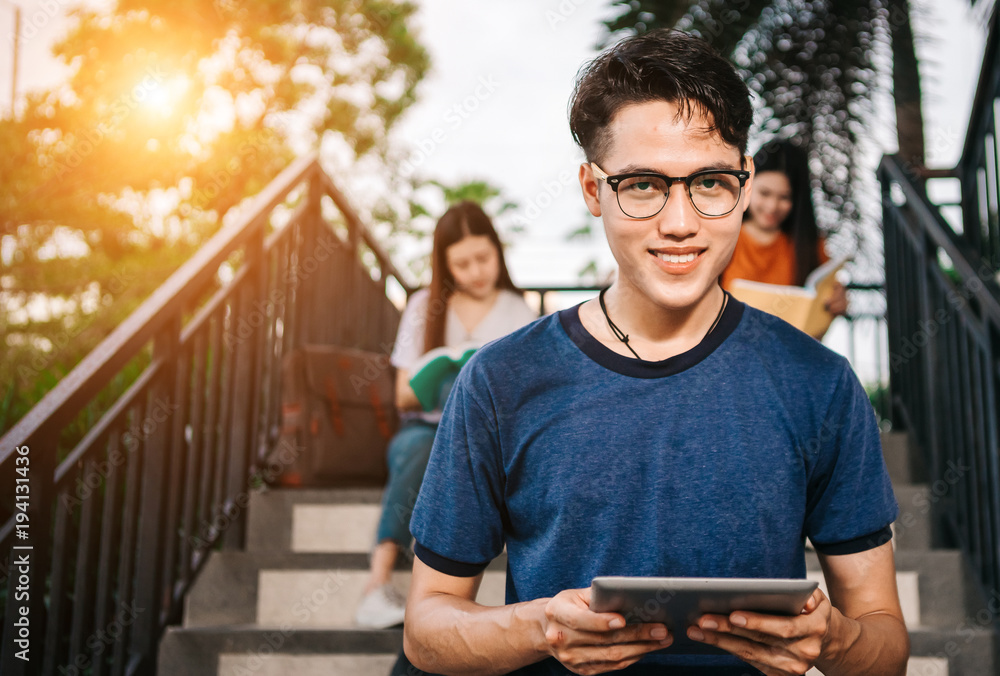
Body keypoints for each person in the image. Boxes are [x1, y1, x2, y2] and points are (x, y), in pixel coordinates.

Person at [402, 29, 909, 676]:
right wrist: (541, 626)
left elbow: (885, 643)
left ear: (746, 184)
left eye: (711, 182)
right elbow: (428, 627)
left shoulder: (821, 385)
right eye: (643, 185)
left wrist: (834, 641)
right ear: (593, 190)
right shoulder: (499, 382)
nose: (679, 221)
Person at [354, 200, 538, 629]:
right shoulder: (423, 306)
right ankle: (377, 583)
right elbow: (403, 395)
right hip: (426, 430)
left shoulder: (517, 310)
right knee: (422, 451)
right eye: (462, 263)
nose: (475, 271)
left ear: (498, 251)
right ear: (444, 264)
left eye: (483, 258)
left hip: (490, 440)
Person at [721, 140, 849, 319]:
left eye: (784, 197)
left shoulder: (810, 246)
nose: (772, 206)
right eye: (764, 193)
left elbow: (819, 319)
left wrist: (835, 305)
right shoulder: (723, 236)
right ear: (747, 188)